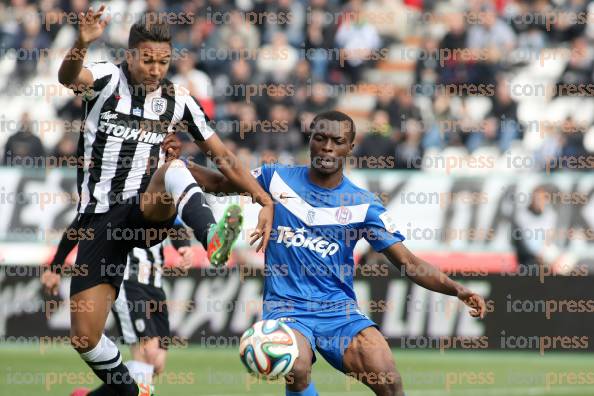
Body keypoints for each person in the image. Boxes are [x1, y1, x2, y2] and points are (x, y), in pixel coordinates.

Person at [48, 6, 274, 396]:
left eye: (164, 61)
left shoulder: (179, 100)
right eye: (148, 60)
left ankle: (212, 237)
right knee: (84, 339)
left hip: (144, 210)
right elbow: (69, 77)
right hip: (100, 220)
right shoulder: (105, 79)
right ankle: (129, 390)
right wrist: (81, 44)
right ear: (131, 54)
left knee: (173, 166)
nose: (156, 69)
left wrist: (261, 197)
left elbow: (222, 156)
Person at [186, 110, 487, 396]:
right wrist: (179, 166)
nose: (327, 147)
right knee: (297, 365)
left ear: (350, 148)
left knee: (389, 381)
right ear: (311, 139)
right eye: (321, 138)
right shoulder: (274, 178)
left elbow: (408, 262)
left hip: (339, 311)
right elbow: (219, 183)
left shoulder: (363, 204)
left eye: (337, 142)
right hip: (287, 307)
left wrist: (457, 289)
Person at [43, 205, 242, 396]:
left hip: (155, 284)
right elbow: (79, 224)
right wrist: (56, 265)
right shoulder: (120, 189)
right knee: (147, 355)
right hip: (128, 282)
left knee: (156, 364)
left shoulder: (158, 190)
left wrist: (184, 247)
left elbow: (175, 222)